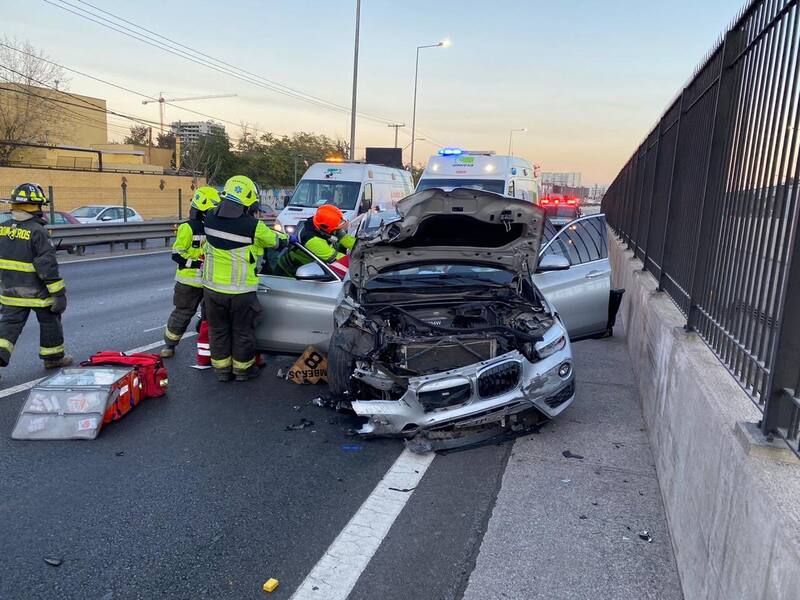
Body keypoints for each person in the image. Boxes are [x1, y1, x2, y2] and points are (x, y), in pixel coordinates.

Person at [203, 175, 287, 382]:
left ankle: (222, 371)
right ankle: (242, 371)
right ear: (249, 199)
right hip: (240, 292)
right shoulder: (253, 226)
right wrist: (287, 238)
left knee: (218, 331)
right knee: (242, 331)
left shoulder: (210, 218)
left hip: (212, 290)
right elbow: (275, 242)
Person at [0, 183, 71, 374]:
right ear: (35, 206)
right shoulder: (38, 231)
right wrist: (59, 294)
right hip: (38, 292)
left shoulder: (2, 228)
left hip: (10, 292)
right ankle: (53, 359)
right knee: (50, 322)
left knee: (7, 327)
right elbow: (47, 267)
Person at [161, 186, 220, 358]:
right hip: (188, 282)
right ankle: (170, 345)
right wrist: (196, 263)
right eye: (211, 209)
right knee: (182, 313)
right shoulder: (187, 228)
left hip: (210, 281)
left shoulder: (213, 228)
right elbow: (177, 254)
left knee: (211, 315)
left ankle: (207, 345)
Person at [276, 204, 355, 277]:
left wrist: (359, 246)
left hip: (308, 266)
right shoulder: (312, 240)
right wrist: (358, 260)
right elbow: (338, 259)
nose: (339, 231)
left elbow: (344, 238)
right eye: (337, 230)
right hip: (290, 271)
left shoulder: (318, 222)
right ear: (326, 228)